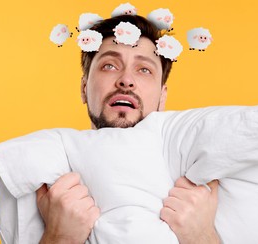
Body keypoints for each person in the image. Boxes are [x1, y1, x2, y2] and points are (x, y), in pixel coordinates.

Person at [36, 15, 220, 244]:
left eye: (144, 69)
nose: (126, 80)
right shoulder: (49, 190)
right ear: (84, 88)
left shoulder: (200, 193)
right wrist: (59, 237)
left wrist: (202, 237)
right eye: (109, 65)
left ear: (162, 97)